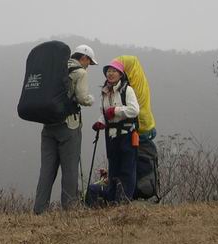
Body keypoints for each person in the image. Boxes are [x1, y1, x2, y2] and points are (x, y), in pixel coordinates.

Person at [33, 44, 97, 214]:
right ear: (84, 58)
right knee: (69, 169)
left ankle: (39, 209)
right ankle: (70, 208)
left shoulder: (56, 69)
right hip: (69, 126)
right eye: (89, 62)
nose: (88, 66)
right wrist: (91, 99)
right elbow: (82, 98)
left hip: (48, 125)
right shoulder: (80, 73)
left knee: (46, 170)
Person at [92, 59, 140, 203]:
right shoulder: (105, 92)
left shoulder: (127, 90)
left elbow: (134, 110)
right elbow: (104, 113)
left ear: (121, 75)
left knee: (127, 170)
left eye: (114, 71)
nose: (110, 74)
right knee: (113, 169)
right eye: (108, 71)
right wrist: (100, 122)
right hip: (111, 136)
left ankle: (124, 201)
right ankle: (113, 200)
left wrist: (116, 110)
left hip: (127, 135)